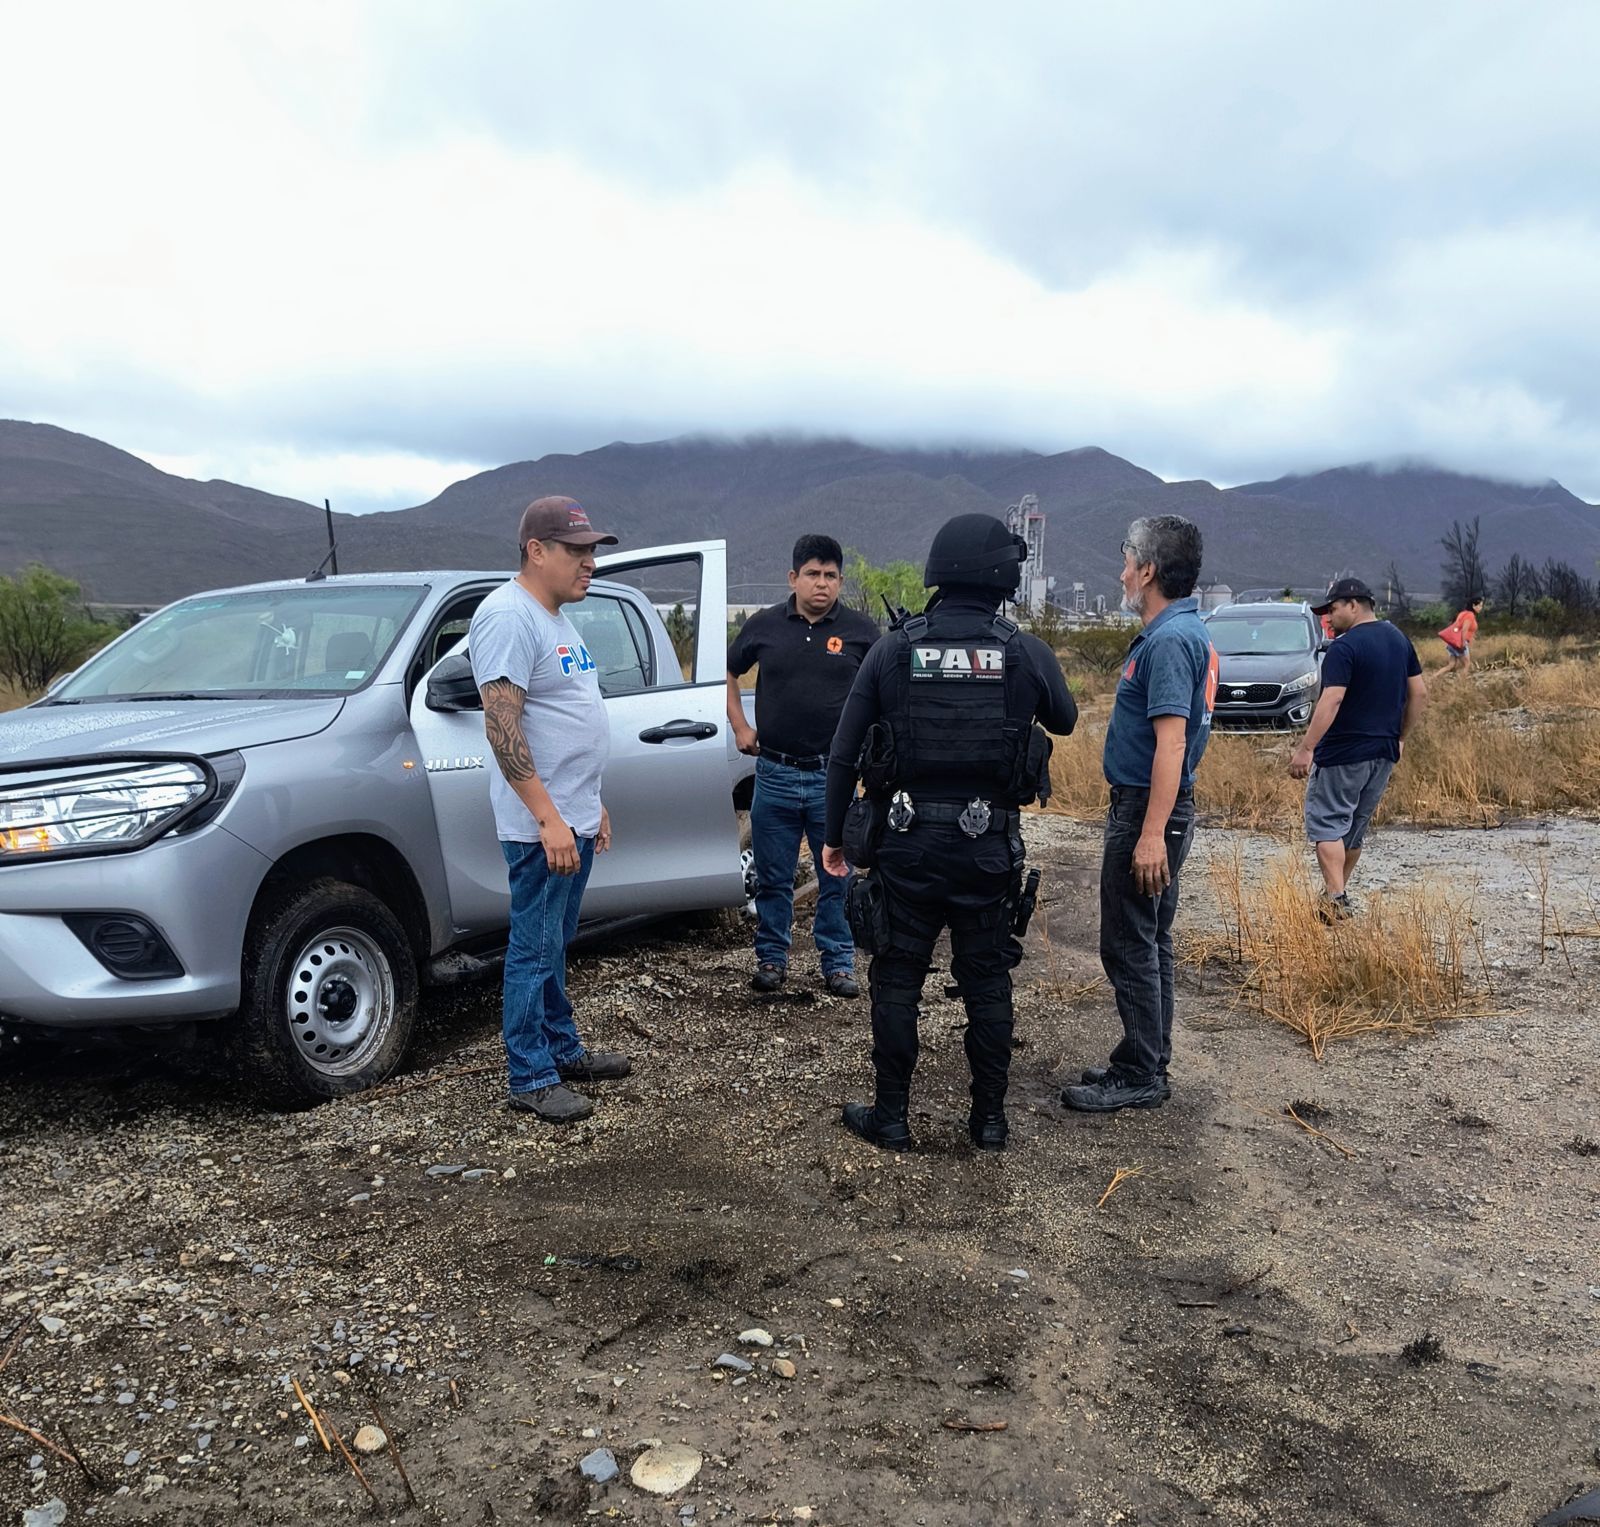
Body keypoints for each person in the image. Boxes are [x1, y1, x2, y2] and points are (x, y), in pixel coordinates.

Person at [820, 513, 1077, 1152]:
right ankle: (988, 1121)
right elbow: (1066, 720)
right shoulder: (1022, 650)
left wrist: (833, 837)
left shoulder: (893, 648)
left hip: (906, 845)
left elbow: (845, 753)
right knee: (987, 979)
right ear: (1002, 575)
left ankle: (892, 1117)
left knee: (898, 976)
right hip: (988, 847)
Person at [469, 496, 632, 1124]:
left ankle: (562, 1050)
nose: (590, 562)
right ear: (536, 551)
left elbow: (568, 721)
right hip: (542, 829)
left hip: (573, 818)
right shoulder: (508, 616)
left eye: (593, 550)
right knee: (533, 947)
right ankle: (529, 1074)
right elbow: (501, 725)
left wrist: (590, 806)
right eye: (577, 550)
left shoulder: (557, 618)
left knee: (555, 942)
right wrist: (546, 817)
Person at [1062, 515, 1216, 1115]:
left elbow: (1172, 744)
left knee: (1128, 940)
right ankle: (1147, 1057)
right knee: (1150, 938)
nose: (1121, 568)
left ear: (1148, 570)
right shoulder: (1177, 633)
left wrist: (1151, 834)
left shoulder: (1172, 641)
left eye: (1127, 558)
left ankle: (1141, 1072)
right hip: (1153, 807)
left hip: (1149, 810)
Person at [726, 534, 880, 996]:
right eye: (812, 574)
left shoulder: (861, 631)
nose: (822, 583)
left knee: (837, 873)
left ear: (840, 580)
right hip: (772, 773)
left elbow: (884, 687)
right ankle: (772, 959)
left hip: (832, 776)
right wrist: (739, 726)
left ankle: (837, 962)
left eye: (831, 575)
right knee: (773, 877)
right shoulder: (765, 626)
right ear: (793, 578)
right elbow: (728, 672)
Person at [1290, 576, 1428, 920]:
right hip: (1382, 752)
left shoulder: (1344, 648)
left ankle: (1336, 897)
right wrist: (1400, 737)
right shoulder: (1399, 640)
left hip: (1342, 753)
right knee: (1352, 830)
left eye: (1333, 610)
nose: (1329, 619)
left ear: (1354, 605)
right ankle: (1334, 899)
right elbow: (1420, 693)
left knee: (1327, 825)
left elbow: (1332, 698)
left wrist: (1307, 747)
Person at [1438, 595, 1483, 676]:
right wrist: (1462, 645)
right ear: (1473, 605)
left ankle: (1433, 678)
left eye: (1481, 606)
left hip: (1452, 643)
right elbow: (1464, 630)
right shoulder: (1470, 615)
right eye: (1479, 605)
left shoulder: (1462, 613)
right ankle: (1462, 683)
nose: (1481, 608)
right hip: (1459, 643)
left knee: (1451, 665)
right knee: (1467, 664)